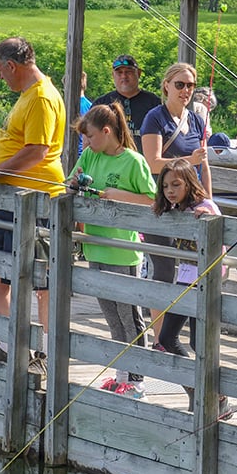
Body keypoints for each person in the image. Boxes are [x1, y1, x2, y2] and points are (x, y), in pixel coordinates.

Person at [0, 36, 65, 365]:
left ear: (12, 65)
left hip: (34, 199)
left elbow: (37, 151)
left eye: (0, 70)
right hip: (9, 199)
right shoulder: (27, 96)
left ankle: (44, 351)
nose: (0, 76)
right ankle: (14, 344)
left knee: (39, 281)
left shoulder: (41, 97)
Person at [68, 103, 157, 399]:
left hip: (123, 252)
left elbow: (152, 200)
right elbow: (71, 181)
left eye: (90, 137)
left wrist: (118, 196)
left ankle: (137, 378)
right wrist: (73, 184)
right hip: (96, 249)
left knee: (129, 317)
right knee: (111, 318)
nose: (87, 143)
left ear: (107, 132)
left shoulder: (133, 161)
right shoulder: (89, 155)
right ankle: (121, 374)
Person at [151, 158, 231, 418]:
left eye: (176, 184)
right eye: (165, 186)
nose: (170, 191)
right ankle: (195, 390)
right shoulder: (176, 209)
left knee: (200, 342)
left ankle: (219, 397)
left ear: (189, 183)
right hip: (186, 279)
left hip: (206, 281)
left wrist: (207, 218)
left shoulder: (203, 206)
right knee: (165, 338)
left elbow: (217, 229)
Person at [139, 62, 211, 341]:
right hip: (164, 204)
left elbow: (204, 166)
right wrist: (188, 162)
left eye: (190, 86)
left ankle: (191, 334)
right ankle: (161, 338)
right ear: (166, 85)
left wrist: (209, 201)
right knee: (164, 270)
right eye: (179, 85)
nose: (185, 91)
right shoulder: (155, 118)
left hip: (191, 206)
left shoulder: (196, 119)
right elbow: (153, 162)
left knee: (194, 269)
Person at [92, 55, 161, 151]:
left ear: (139, 73)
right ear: (113, 75)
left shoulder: (155, 103)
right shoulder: (101, 104)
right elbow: (89, 138)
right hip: (111, 163)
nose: (124, 76)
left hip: (144, 163)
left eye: (129, 72)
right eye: (119, 73)